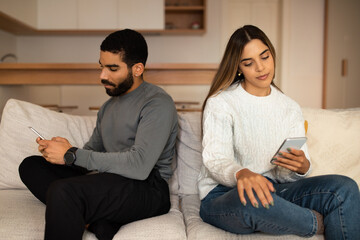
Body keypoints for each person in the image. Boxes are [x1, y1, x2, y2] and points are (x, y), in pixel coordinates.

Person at [198, 25, 359, 239]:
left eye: (264, 57)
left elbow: (284, 175)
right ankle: (315, 223)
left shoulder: (289, 107)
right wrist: (242, 173)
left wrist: (301, 166)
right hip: (224, 195)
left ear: (272, 54)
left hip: (275, 191)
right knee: (251, 201)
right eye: (249, 63)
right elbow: (215, 159)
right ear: (238, 68)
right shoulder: (221, 103)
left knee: (345, 188)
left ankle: (286, 215)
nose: (260, 68)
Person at [18, 29, 178, 240]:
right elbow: (92, 154)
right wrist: (64, 153)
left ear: (137, 68)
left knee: (64, 191)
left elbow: (139, 166)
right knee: (31, 166)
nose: (103, 76)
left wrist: (73, 154)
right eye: (101, 67)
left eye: (112, 68)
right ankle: (99, 220)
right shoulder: (107, 107)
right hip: (112, 179)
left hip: (148, 187)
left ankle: (88, 213)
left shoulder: (157, 103)